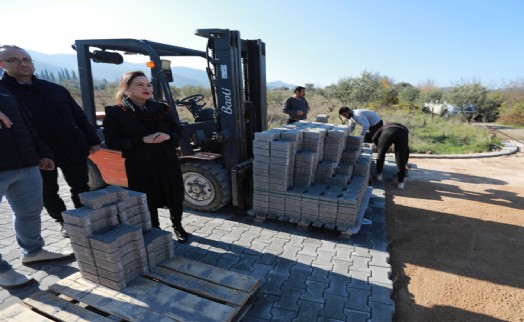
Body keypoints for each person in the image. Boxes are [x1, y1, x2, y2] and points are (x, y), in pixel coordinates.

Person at [0, 45, 101, 237]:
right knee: (48, 192)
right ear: (2, 64)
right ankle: (63, 221)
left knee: (81, 186)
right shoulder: (3, 94)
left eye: (26, 59)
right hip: (36, 154)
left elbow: (79, 117)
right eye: (14, 60)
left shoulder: (54, 89)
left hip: (71, 147)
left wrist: (92, 140)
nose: (23, 63)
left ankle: (84, 218)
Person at [0, 84, 74, 289]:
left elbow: (26, 125)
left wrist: (43, 152)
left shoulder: (7, 91)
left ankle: (33, 252)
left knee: (29, 212)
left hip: (25, 164)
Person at [103, 71, 188, 243]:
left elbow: (178, 131)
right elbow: (113, 142)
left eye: (148, 84)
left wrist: (169, 136)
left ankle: (177, 225)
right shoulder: (116, 113)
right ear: (126, 89)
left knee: (175, 194)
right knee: (147, 198)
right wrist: (142, 140)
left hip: (167, 160)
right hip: (139, 164)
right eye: (140, 84)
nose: (146, 88)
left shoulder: (162, 109)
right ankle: (154, 228)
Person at [372, 122, 410, 190]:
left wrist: (380, 147)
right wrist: (405, 162)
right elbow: (406, 150)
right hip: (402, 134)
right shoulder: (405, 129)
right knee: (400, 158)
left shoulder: (383, 127)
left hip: (387, 133)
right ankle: (401, 182)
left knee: (381, 154)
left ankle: (379, 174)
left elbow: (374, 138)